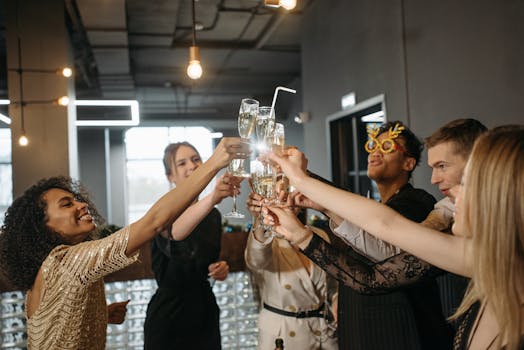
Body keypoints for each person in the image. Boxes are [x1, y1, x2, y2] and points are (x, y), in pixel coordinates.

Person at [265, 126, 524, 350]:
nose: (448, 191)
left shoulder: (427, 210)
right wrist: (303, 210)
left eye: (466, 183)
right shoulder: (485, 259)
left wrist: (301, 179)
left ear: (499, 197)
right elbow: (383, 222)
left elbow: (385, 228)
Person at [0, 137, 248, 350]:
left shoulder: (51, 268)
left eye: (77, 200)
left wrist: (99, 316)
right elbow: (155, 223)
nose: (82, 205)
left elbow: (55, 328)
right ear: (42, 227)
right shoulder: (68, 261)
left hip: (204, 314)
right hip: (172, 320)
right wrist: (216, 162)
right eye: (67, 204)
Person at [294, 119, 486, 322]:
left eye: (386, 147)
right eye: (373, 146)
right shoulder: (445, 208)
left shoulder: (419, 201)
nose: (434, 179)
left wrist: (303, 181)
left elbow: (385, 231)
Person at [144, 142, 240, 349]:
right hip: (170, 315)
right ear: (170, 176)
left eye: (196, 159)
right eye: (182, 163)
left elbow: (204, 263)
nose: (192, 166)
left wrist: (218, 269)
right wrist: (213, 198)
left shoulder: (213, 216)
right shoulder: (163, 211)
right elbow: (177, 242)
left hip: (205, 312)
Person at [245, 190, 338, 350]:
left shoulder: (319, 234)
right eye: (278, 190)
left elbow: (331, 284)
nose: (283, 195)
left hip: (324, 333)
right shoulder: (267, 239)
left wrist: (336, 300)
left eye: (288, 189)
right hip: (284, 337)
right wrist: (259, 218)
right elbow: (256, 259)